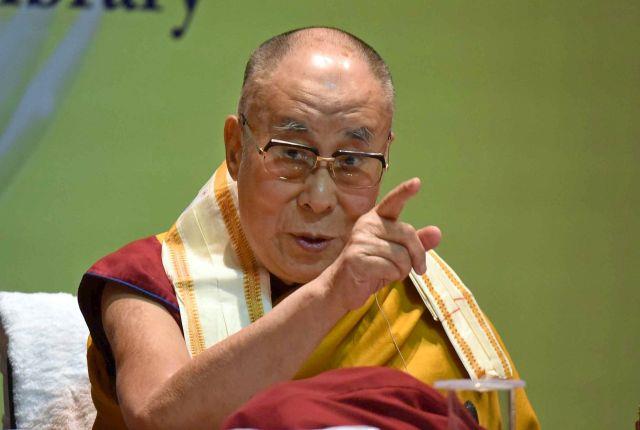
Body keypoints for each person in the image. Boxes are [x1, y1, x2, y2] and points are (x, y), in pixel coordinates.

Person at [78, 27, 540, 429]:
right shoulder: (148, 281)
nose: (319, 198)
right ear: (236, 150)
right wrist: (333, 293)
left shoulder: (419, 295)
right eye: (292, 154)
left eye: (352, 160)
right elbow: (158, 419)